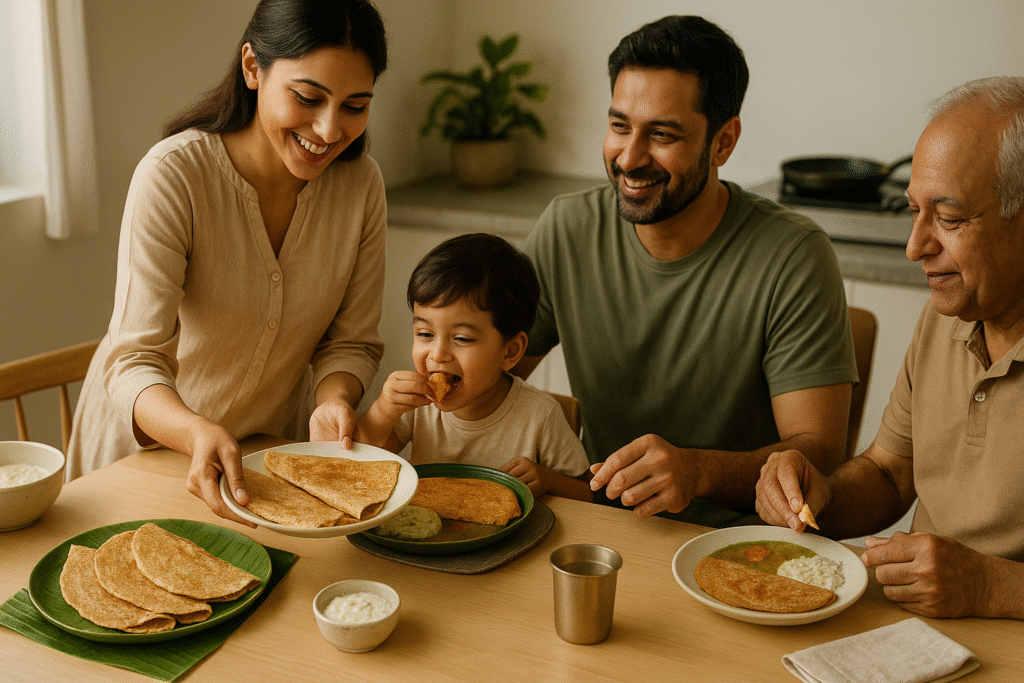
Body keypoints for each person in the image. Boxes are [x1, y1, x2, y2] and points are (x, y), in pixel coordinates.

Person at [513, 15, 857, 526]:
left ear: (723, 142)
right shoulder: (567, 227)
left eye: (662, 134)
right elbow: (492, 370)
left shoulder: (793, 254)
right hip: (604, 529)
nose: (629, 158)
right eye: (619, 125)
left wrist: (699, 471)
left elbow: (820, 455)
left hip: (741, 545)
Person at [68, 0, 389, 527]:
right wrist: (195, 430)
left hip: (260, 462)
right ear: (252, 68)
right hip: (144, 457)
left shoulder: (361, 187)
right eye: (308, 97)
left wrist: (333, 400)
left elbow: (350, 341)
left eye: (355, 106)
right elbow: (133, 361)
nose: (330, 130)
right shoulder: (174, 176)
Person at [755, 76, 1024, 620]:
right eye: (913, 211)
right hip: (916, 635)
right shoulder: (947, 313)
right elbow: (889, 472)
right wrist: (822, 496)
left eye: (949, 220)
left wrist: (991, 586)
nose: (915, 247)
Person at [355, 233, 593, 502]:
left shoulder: (540, 416)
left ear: (510, 351)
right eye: (424, 334)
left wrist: (549, 480)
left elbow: (588, 494)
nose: (438, 354)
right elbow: (359, 463)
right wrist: (382, 411)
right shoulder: (418, 408)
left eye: (462, 339)